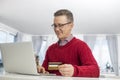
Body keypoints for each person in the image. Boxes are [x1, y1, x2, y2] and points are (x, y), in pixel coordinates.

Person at [37, 9, 100, 77]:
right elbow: (46, 69)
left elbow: (95, 70)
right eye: (55, 25)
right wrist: (41, 69)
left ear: (71, 25)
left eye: (60, 25)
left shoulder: (81, 46)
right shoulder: (51, 49)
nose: (57, 29)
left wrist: (75, 71)